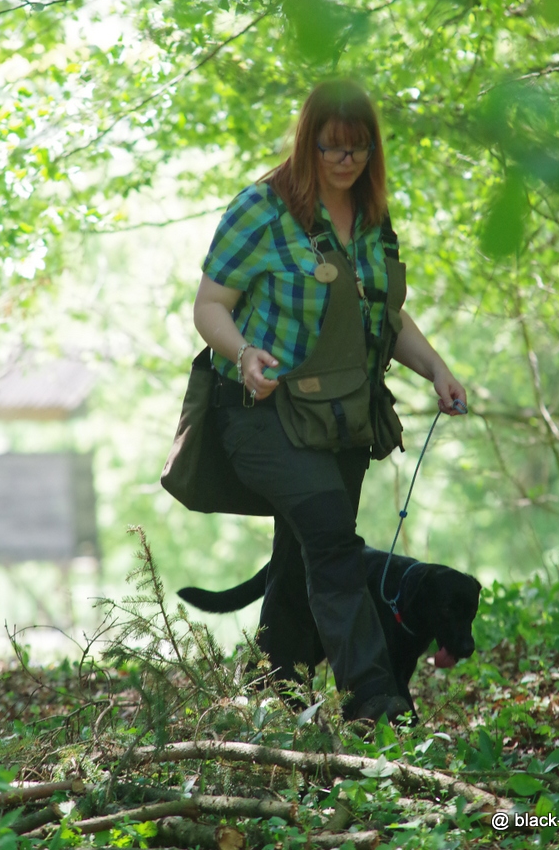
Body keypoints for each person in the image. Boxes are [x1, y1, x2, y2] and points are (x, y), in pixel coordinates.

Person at [193, 79, 467, 723]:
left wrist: (436, 369)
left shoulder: (373, 222)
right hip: (258, 411)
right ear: (307, 143)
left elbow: (387, 317)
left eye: (359, 148)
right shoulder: (261, 210)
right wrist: (243, 353)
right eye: (332, 148)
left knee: (305, 549)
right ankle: (376, 699)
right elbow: (210, 306)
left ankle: (273, 691)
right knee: (333, 542)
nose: (346, 161)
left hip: (343, 417)